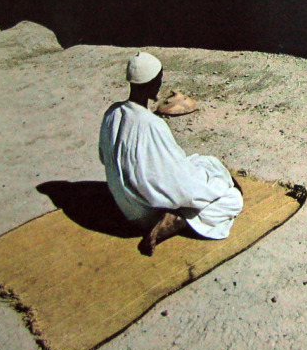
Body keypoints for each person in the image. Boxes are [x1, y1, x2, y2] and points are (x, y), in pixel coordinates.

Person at [99, 51, 243, 255]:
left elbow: (104, 158)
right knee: (231, 198)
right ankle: (176, 220)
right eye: (159, 79)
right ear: (151, 83)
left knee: (202, 162)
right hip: (147, 212)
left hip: (126, 208)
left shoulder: (112, 113)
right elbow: (180, 184)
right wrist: (216, 186)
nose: (160, 84)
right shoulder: (151, 125)